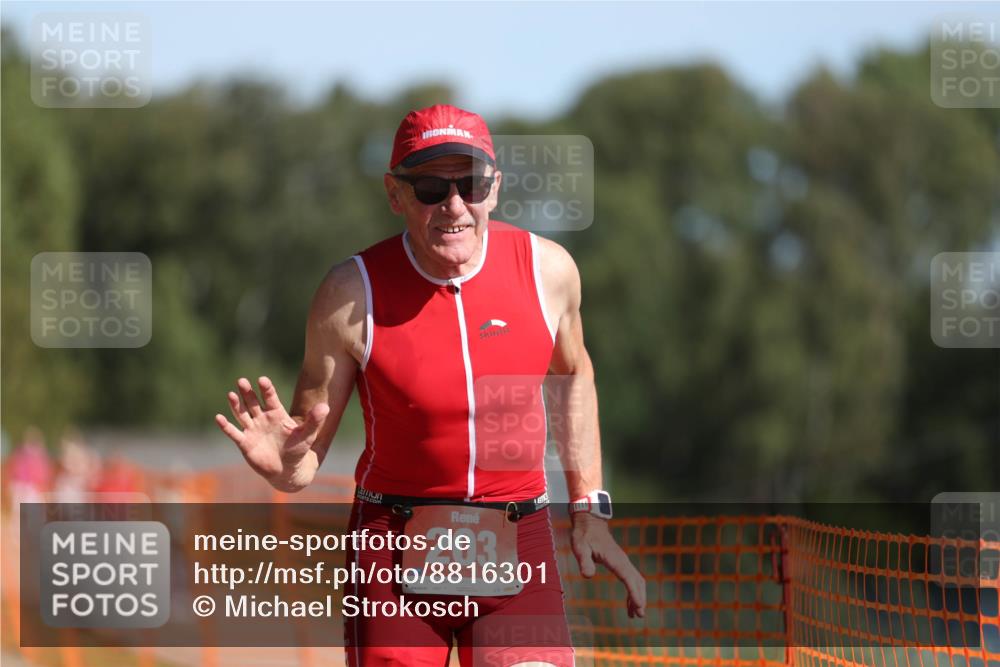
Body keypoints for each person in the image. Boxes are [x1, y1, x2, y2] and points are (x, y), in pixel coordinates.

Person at [216, 104, 646, 666]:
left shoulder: (550, 271)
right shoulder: (350, 294)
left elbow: (572, 374)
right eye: (429, 187)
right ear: (395, 195)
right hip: (391, 548)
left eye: (469, 184)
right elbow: (304, 452)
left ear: (494, 188)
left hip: (517, 536)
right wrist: (286, 468)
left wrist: (589, 508)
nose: (454, 205)